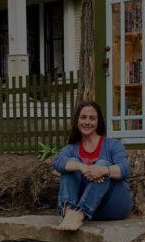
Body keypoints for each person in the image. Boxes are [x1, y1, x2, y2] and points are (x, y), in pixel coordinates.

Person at [52, 99, 132, 230]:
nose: (87, 122)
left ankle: (80, 214)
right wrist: (81, 167)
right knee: (70, 165)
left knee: (102, 164)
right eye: (83, 117)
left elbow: (125, 168)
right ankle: (69, 212)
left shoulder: (113, 145)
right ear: (77, 120)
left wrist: (103, 171)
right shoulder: (71, 148)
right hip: (81, 206)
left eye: (92, 118)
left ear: (98, 121)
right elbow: (57, 162)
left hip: (112, 204)